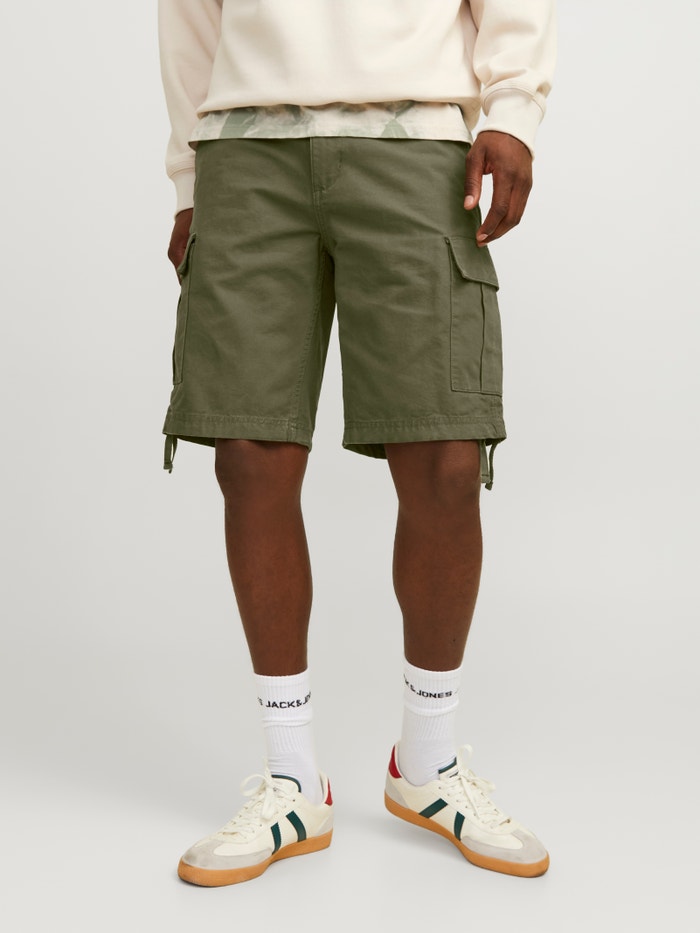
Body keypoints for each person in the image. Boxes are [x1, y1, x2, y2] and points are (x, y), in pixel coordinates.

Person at [158, 0, 557, 886]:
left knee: (446, 456)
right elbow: (187, 13)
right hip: (246, 148)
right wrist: (189, 179)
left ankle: (428, 764)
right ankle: (293, 780)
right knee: (249, 454)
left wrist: (513, 110)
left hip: (417, 143)